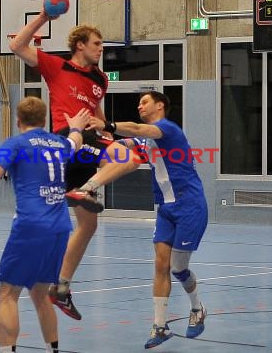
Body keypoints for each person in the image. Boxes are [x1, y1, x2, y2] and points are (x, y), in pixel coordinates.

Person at [9, 11, 140, 320]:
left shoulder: (100, 78)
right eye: (97, 43)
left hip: (91, 137)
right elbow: (16, 46)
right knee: (130, 157)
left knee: (88, 224)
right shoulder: (56, 66)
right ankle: (87, 188)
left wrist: (104, 125)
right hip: (67, 139)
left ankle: (61, 288)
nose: (101, 48)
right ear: (80, 45)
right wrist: (43, 16)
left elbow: (95, 107)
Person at [0, 97, 90, 353]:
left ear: (18, 120)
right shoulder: (58, 142)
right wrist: (75, 126)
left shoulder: (16, 144)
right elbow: (75, 141)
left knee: (8, 293)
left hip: (31, 226)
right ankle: (52, 349)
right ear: (44, 120)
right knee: (42, 294)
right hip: (60, 227)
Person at [88, 90, 208, 349]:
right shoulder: (146, 140)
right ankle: (160, 326)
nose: (139, 106)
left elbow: (136, 130)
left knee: (178, 268)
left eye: (144, 102)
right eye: (139, 104)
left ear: (160, 105)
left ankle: (197, 308)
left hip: (189, 205)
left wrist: (109, 124)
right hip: (165, 208)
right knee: (160, 265)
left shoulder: (167, 129)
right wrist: (97, 141)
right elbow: (126, 143)